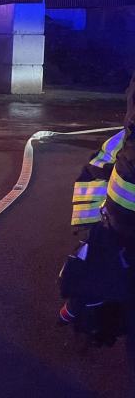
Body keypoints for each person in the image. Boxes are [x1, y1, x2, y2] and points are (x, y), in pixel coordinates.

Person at [59, 74, 135, 351]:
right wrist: (90, 235)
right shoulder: (125, 142)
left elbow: (97, 167)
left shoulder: (125, 139)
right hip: (117, 224)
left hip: (117, 222)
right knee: (95, 281)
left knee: (98, 279)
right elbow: (97, 168)